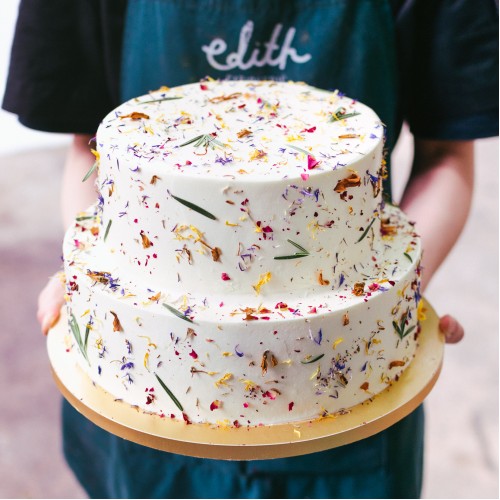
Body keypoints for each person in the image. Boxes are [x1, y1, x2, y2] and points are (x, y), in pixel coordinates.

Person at [3, 0, 498, 498]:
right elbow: (87, 143)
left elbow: (446, 155)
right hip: (144, 383)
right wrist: (98, 278)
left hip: (344, 400)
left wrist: (392, 300)